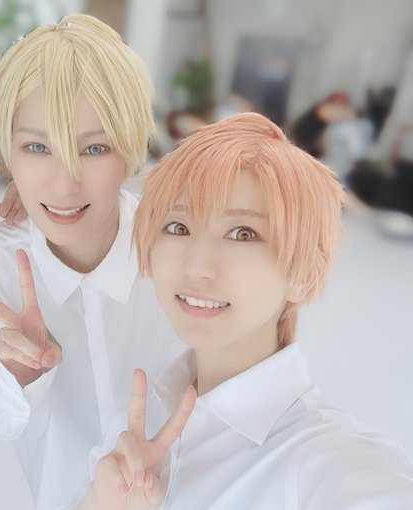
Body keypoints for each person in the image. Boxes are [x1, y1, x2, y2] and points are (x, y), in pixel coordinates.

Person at [79, 112, 413, 509]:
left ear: (303, 274)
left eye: (243, 233)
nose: (196, 267)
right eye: (177, 227)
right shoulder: (137, 420)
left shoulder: (323, 459)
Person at [0, 14, 184, 509]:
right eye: (37, 147)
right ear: (7, 153)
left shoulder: (175, 250)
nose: (63, 183)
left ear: (132, 150)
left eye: (94, 148)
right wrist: (17, 377)